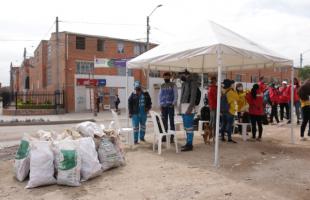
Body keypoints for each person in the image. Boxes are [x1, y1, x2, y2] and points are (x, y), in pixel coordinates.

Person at [179, 70, 198, 151]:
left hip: (188, 108)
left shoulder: (193, 83)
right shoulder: (184, 83)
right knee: (186, 127)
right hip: (184, 107)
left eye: (181, 74)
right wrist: (180, 107)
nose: (180, 77)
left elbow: (193, 97)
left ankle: (190, 144)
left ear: (186, 75)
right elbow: (182, 96)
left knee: (189, 127)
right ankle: (188, 143)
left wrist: (190, 108)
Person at [159, 72, 178, 143]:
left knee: (171, 121)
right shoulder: (162, 85)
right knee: (164, 122)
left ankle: (172, 137)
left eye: (167, 77)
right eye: (165, 77)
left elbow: (176, 95)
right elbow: (160, 96)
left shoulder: (173, 85)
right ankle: (164, 136)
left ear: (169, 77)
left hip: (170, 106)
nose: (166, 78)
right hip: (163, 106)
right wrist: (160, 104)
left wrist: (173, 103)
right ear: (163, 78)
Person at [220, 79, 239, 143]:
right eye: (233, 84)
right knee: (229, 125)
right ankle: (229, 138)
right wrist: (235, 90)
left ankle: (222, 137)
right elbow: (237, 98)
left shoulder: (223, 91)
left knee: (223, 124)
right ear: (230, 85)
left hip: (223, 110)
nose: (234, 85)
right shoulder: (231, 92)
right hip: (230, 110)